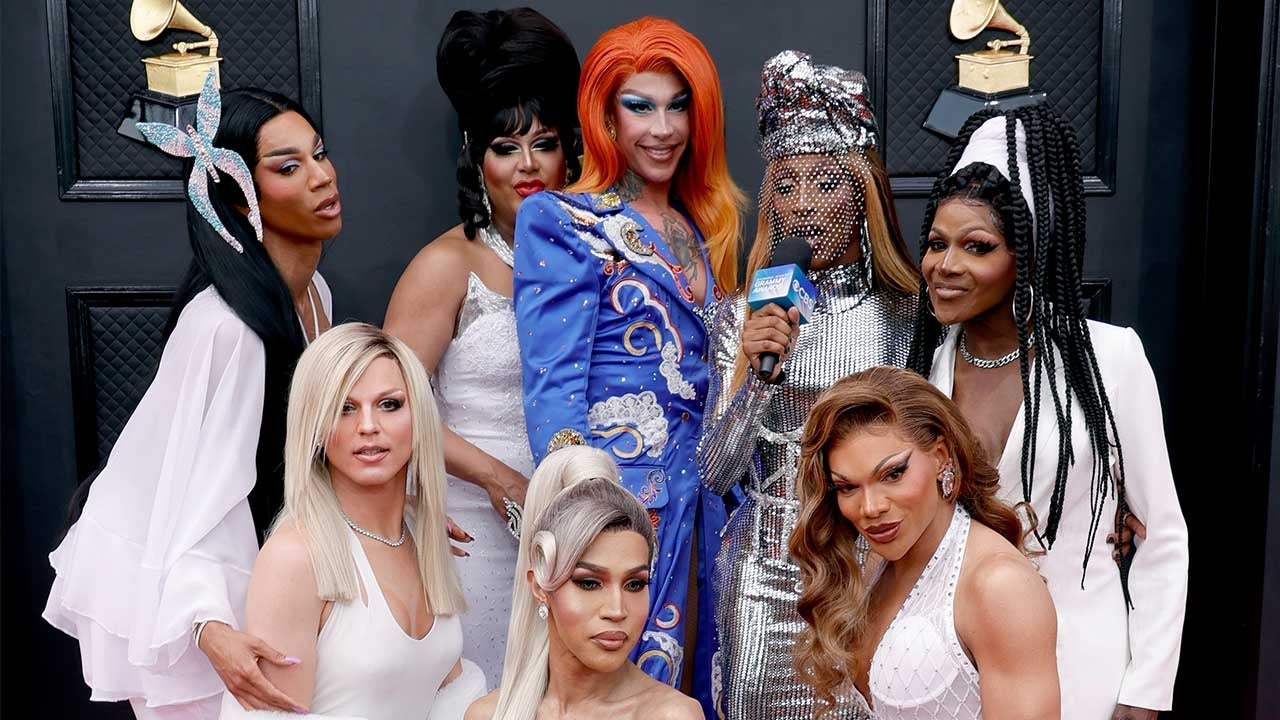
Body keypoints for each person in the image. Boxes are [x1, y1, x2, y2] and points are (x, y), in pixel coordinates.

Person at [45, 76, 341, 719]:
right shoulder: (228, 328)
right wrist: (207, 626)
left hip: (268, 561)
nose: (322, 177)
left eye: (319, 153)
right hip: (196, 583)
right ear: (236, 199)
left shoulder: (315, 296)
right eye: (288, 166)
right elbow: (199, 496)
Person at [908, 105, 1189, 720]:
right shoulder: (918, 369)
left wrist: (1144, 690)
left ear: (1027, 255)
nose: (945, 266)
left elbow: (1163, 534)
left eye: (977, 247)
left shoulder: (1109, 359)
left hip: (1083, 663)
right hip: (952, 669)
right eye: (936, 244)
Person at [511, 16, 745, 712]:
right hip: (627, 507)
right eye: (640, 106)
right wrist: (588, 522)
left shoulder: (707, 227)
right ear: (605, 116)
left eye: (678, 106)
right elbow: (553, 391)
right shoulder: (563, 220)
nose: (662, 128)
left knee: (696, 693)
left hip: (711, 505)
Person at [698, 50, 918, 719]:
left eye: (823, 183)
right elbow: (714, 472)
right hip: (762, 576)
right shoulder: (743, 314)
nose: (801, 204)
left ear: (862, 192)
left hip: (872, 567)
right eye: (786, 186)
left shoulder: (909, 314)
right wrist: (760, 375)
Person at [384, 7, 581, 680]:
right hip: (475, 529)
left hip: (576, 527)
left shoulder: (596, 257)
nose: (527, 166)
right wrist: (499, 479)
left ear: (568, 151)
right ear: (476, 156)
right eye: (506, 147)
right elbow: (386, 403)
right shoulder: (448, 265)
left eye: (544, 143)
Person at [217, 323, 481, 720]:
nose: (368, 426)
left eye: (389, 404)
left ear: (419, 416)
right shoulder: (295, 558)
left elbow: (449, 697)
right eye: (344, 408)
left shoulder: (423, 533)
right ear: (316, 428)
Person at [790, 366, 1060, 720]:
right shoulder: (877, 565)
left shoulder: (999, 585)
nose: (870, 508)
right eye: (847, 487)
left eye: (893, 474)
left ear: (941, 455)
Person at [465, 478, 702, 720]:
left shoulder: (671, 715)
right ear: (540, 587)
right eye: (589, 583)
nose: (617, 610)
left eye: (634, 584)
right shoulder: (488, 714)